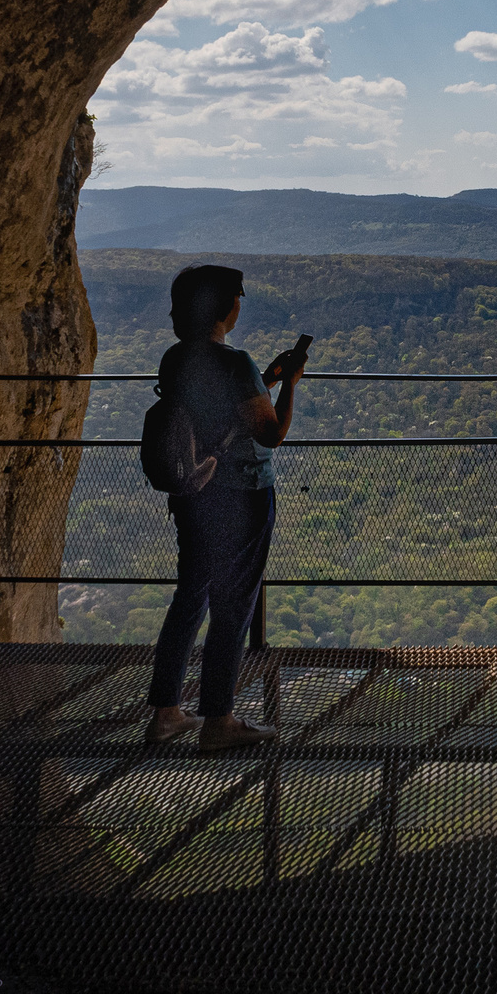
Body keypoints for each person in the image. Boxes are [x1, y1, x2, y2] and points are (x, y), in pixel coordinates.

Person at [145, 264, 304, 750]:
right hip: (241, 494)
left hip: (193, 492)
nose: (240, 304)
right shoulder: (237, 364)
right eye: (238, 297)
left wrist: (266, 381)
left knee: (190, 596)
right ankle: (219, 721)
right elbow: (270, 434)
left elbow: (213, 415)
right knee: (233, 605)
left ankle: (165, 713)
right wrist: (290, 383)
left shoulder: (176, 359)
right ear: (224, 307)